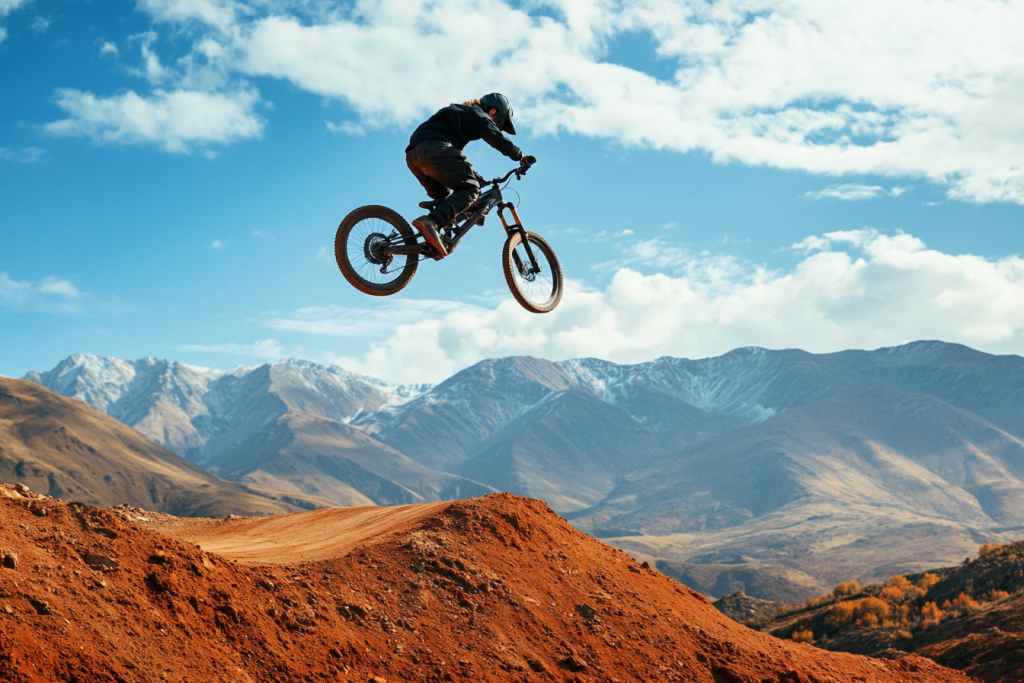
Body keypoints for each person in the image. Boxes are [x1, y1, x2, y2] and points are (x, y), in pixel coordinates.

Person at [406, 93, 535, 258]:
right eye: (500, 123)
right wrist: (521, 156)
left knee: (447, 199)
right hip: (433, 148)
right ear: (494, 112)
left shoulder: (463, 115)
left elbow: (450, 158)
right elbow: (496, 137)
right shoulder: (477, 114)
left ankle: (432, 240)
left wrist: (474, 174)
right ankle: (431, 222)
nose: (498, 126)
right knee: (471, 190)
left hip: (414, 156)